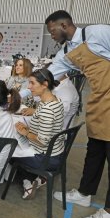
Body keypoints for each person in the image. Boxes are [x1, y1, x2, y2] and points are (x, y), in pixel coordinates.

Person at [45, 10, 110, 218]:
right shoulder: (66, 53)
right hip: (100, 100)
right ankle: (84, 193)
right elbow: (48, 76)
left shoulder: (97, 32)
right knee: (95, 151)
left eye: (52, 30)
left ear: (63, 25)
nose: (51, 35)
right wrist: (20, 93)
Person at [13, 69, 64, 200]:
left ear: (45, 84)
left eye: (32, 83)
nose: (29, 87)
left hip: (45, 158)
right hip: (55, 152)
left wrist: (25, 133)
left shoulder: (47, 110)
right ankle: (37, 178)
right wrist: (27, 129)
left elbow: (42, 140)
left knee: (7, 151)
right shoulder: (54, 100)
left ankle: (28, 182)